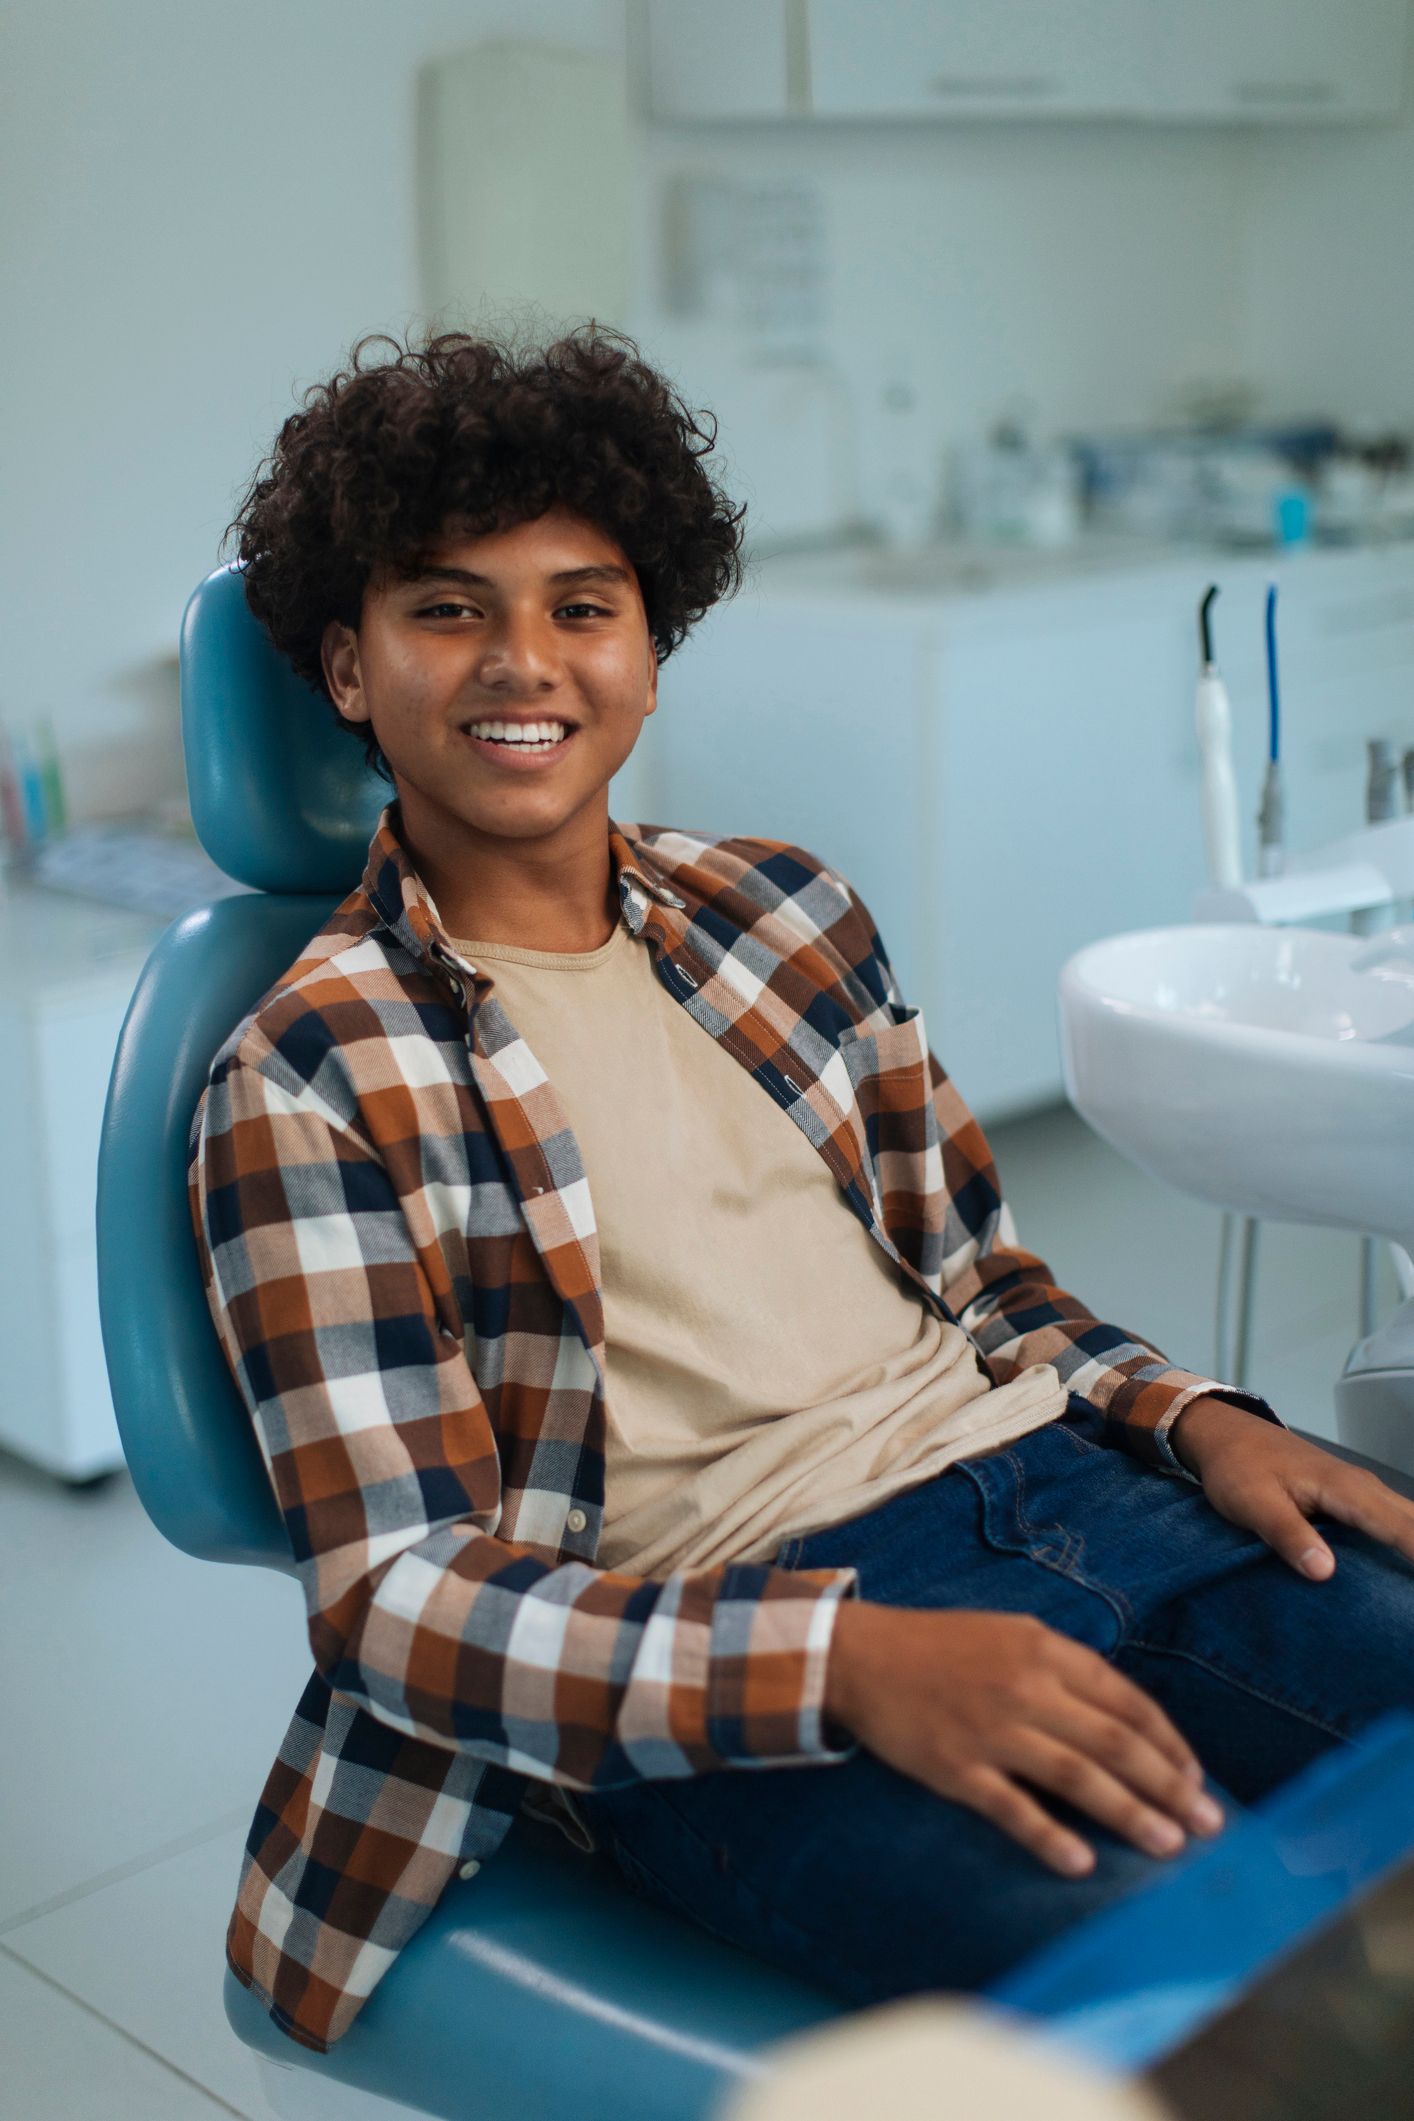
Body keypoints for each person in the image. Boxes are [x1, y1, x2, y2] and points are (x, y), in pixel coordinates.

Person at [190, 320, 1414, 2059]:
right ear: (345, 664)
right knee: (1241, 2011)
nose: (519, 660)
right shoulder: (309, 1072)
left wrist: (1202, 1419)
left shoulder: (787, 913)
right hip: (722, 1650)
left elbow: (981, 1281)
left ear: (650, 652)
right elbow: (399, 1595)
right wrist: (842, 1664)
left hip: (1080, 1492)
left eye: (580, 604)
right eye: (447, 607)